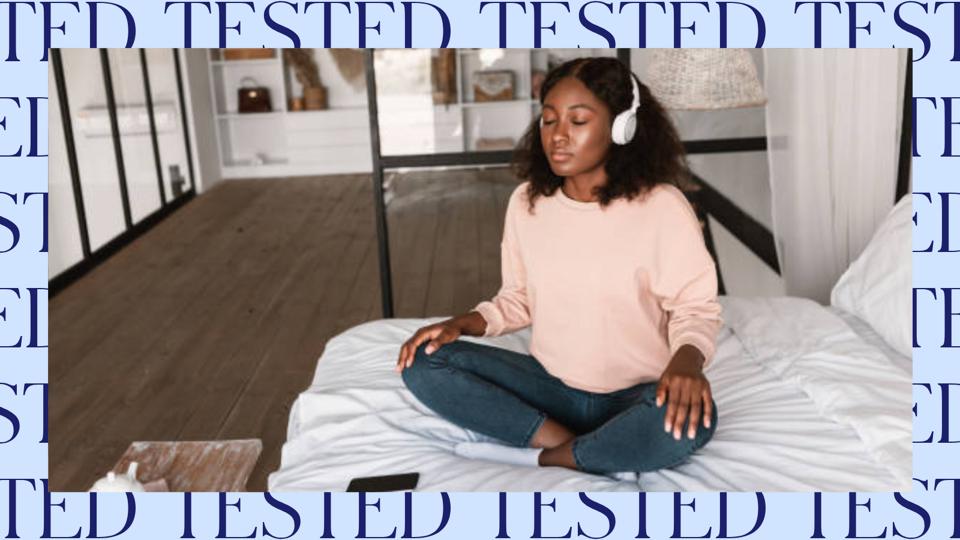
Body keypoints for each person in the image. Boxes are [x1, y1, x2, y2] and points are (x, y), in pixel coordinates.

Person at [396, 57, 722, 475]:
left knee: (695, 421)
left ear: (622, 126)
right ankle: (580, 447)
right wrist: (461, 324)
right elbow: (517, 300)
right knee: (424, 360)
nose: (559, 136)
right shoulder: (527, 203)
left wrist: (686, 364)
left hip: (637, 394)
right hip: (551, 387)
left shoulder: (661, 207)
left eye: (578, 120)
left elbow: (695, 309)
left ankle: (547, 456)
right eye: (549, 120)